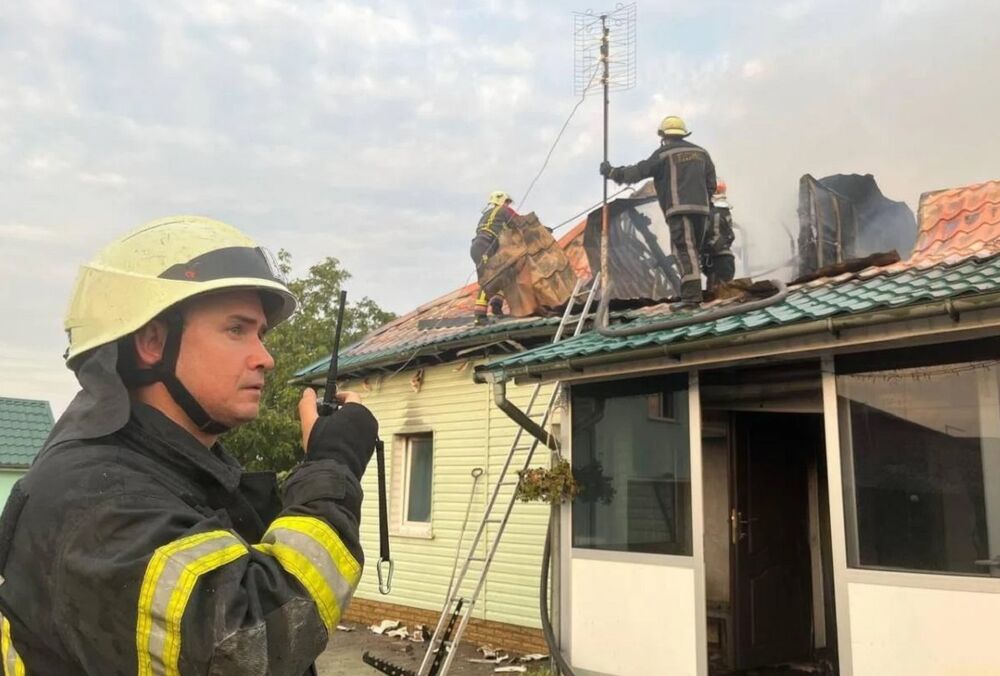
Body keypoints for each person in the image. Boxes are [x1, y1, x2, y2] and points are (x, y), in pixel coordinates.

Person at [0, 216, 377, 675]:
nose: (265, 357)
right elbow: (247, 644)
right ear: (152, 341)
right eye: (237, 330)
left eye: (261, 334)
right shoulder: (93, 501)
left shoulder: (168, 473)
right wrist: (332, 465)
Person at [601, 115, 717, 307]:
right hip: (702, 211)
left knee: (683, 251)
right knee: (693, 250)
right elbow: (711, 183)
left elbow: (638, 172)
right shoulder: (702, 153)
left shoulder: (664, 154)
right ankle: (697, 292)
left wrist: (613, 172)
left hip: (679, 210)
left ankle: (691, 298)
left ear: (664, 136)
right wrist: (702, 201)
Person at [470, 190, 517, 324]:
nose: (508, 205)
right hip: (485, 246)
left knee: (504, 273)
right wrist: (540, 229)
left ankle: (496, 305)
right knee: (489, 278)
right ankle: (480, 316)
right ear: (502, 201)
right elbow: (519, 221)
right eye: (507, 202)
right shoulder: (503, 211)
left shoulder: (487, 215)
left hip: (480, 246)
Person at [704, 179, 737, 290]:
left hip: (718, 261)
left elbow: (715, 236)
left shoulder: (715, 212)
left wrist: (704, 251)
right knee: (723, 295)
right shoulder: (725, 210)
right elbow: (730, 236)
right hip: (725, 259)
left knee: (717, 297)